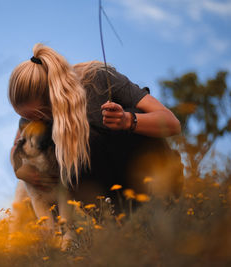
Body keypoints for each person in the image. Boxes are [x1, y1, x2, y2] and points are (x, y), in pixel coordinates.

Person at [9, 43, 183, 209]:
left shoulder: (98, 79)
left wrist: (127, 120)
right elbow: (16, 148)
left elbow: (172, 123)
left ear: (54, 97)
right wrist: (22, 172)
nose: (33, 123)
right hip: (105, 199)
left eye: (37, 116)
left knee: (96, 136)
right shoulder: (35, 117)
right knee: (66, 161)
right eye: (26, 118)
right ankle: (112, 219)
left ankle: (159, 203)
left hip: (156, 180)